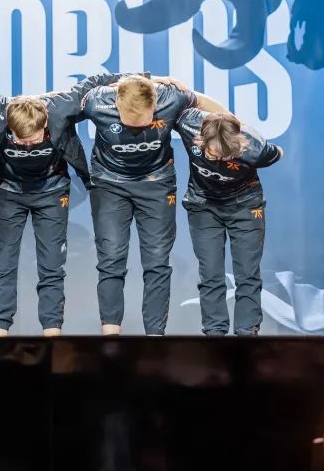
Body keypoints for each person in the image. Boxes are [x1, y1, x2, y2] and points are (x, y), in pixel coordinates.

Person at [0, 74, 184, 337]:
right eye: (20, 141)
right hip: (8, 192)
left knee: (52, 266)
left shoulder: (59, 108)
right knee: (4, 264)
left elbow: (97, 82)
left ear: (45, 124)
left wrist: (149, 79)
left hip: (51, 191)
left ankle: (51, 333)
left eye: (34, 139)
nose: (28, 145)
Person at [70, 74, 224, 336]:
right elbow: (59, 105)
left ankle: (154, 337)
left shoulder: (171, 97)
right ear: (117, 104)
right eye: (128, 121)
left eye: (142, 121)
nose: (135, 128)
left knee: (157, 261)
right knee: (111, 259)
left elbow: (202, 101)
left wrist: (235, 124)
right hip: (109, 184)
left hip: (156, 183)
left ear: (155, 104)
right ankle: (110, 337)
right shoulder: (96, 100)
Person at [174, 109, 282, 336]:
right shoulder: (189, 124)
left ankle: (247, 333)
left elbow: (278, 153)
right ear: (201, 139)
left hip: (245, 206)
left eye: (227, 155)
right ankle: (215, 334)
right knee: (210, 274)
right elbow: (182, 98)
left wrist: (249, 132)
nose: (221, 161)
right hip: (203, 205)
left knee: (247, 274)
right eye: (214, 155)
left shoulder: (255, 149)